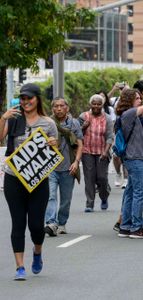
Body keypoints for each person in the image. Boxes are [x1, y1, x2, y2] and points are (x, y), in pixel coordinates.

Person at [0, 83, 58, 280]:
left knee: (35, 225)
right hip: (14, 178)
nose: (25, 102)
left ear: (37, 99)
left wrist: (52, 143)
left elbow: (54, 147)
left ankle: (37, 252)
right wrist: (2, 119)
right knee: (18, 223)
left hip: (38, 180)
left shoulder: (48, 123)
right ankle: (19, 267)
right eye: (22, 99)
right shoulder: (14, 120)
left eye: (29, 98)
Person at [115, 89, 143, 239]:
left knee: (130, 193)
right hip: (135, 158)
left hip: (132, 158)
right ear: (129, 100)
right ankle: (136, 227)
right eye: (137, 98)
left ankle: (125, 226)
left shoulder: (131, 114)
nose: (140, 100)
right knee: (140, 192)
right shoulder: (129, 113)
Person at [44, 97, 83, 236]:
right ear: (52, 108)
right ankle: (51, 223)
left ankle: (61, 223)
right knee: (50, 196)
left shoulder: (74, 124)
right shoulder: (47, 123)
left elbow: (80, 144)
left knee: (65, 200)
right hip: (51, 168)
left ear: (67, 107)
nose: (58, 108)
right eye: (56, 106)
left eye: (61, 106)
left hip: (68, 168)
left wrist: (76, 162)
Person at [79, 94, 114, 212]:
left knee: (102, 178)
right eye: (94, 103)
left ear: (102, 105)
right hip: (87, 151)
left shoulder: (107, 118)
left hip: (102, 152)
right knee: (89, 178)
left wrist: (105, 151)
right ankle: (89, 204)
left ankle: (104, 197)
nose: (96, 106)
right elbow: (76, 135)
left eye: (99, 104)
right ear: (90, 104)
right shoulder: (84, 116)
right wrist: (83, 127)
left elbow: (110, 136)